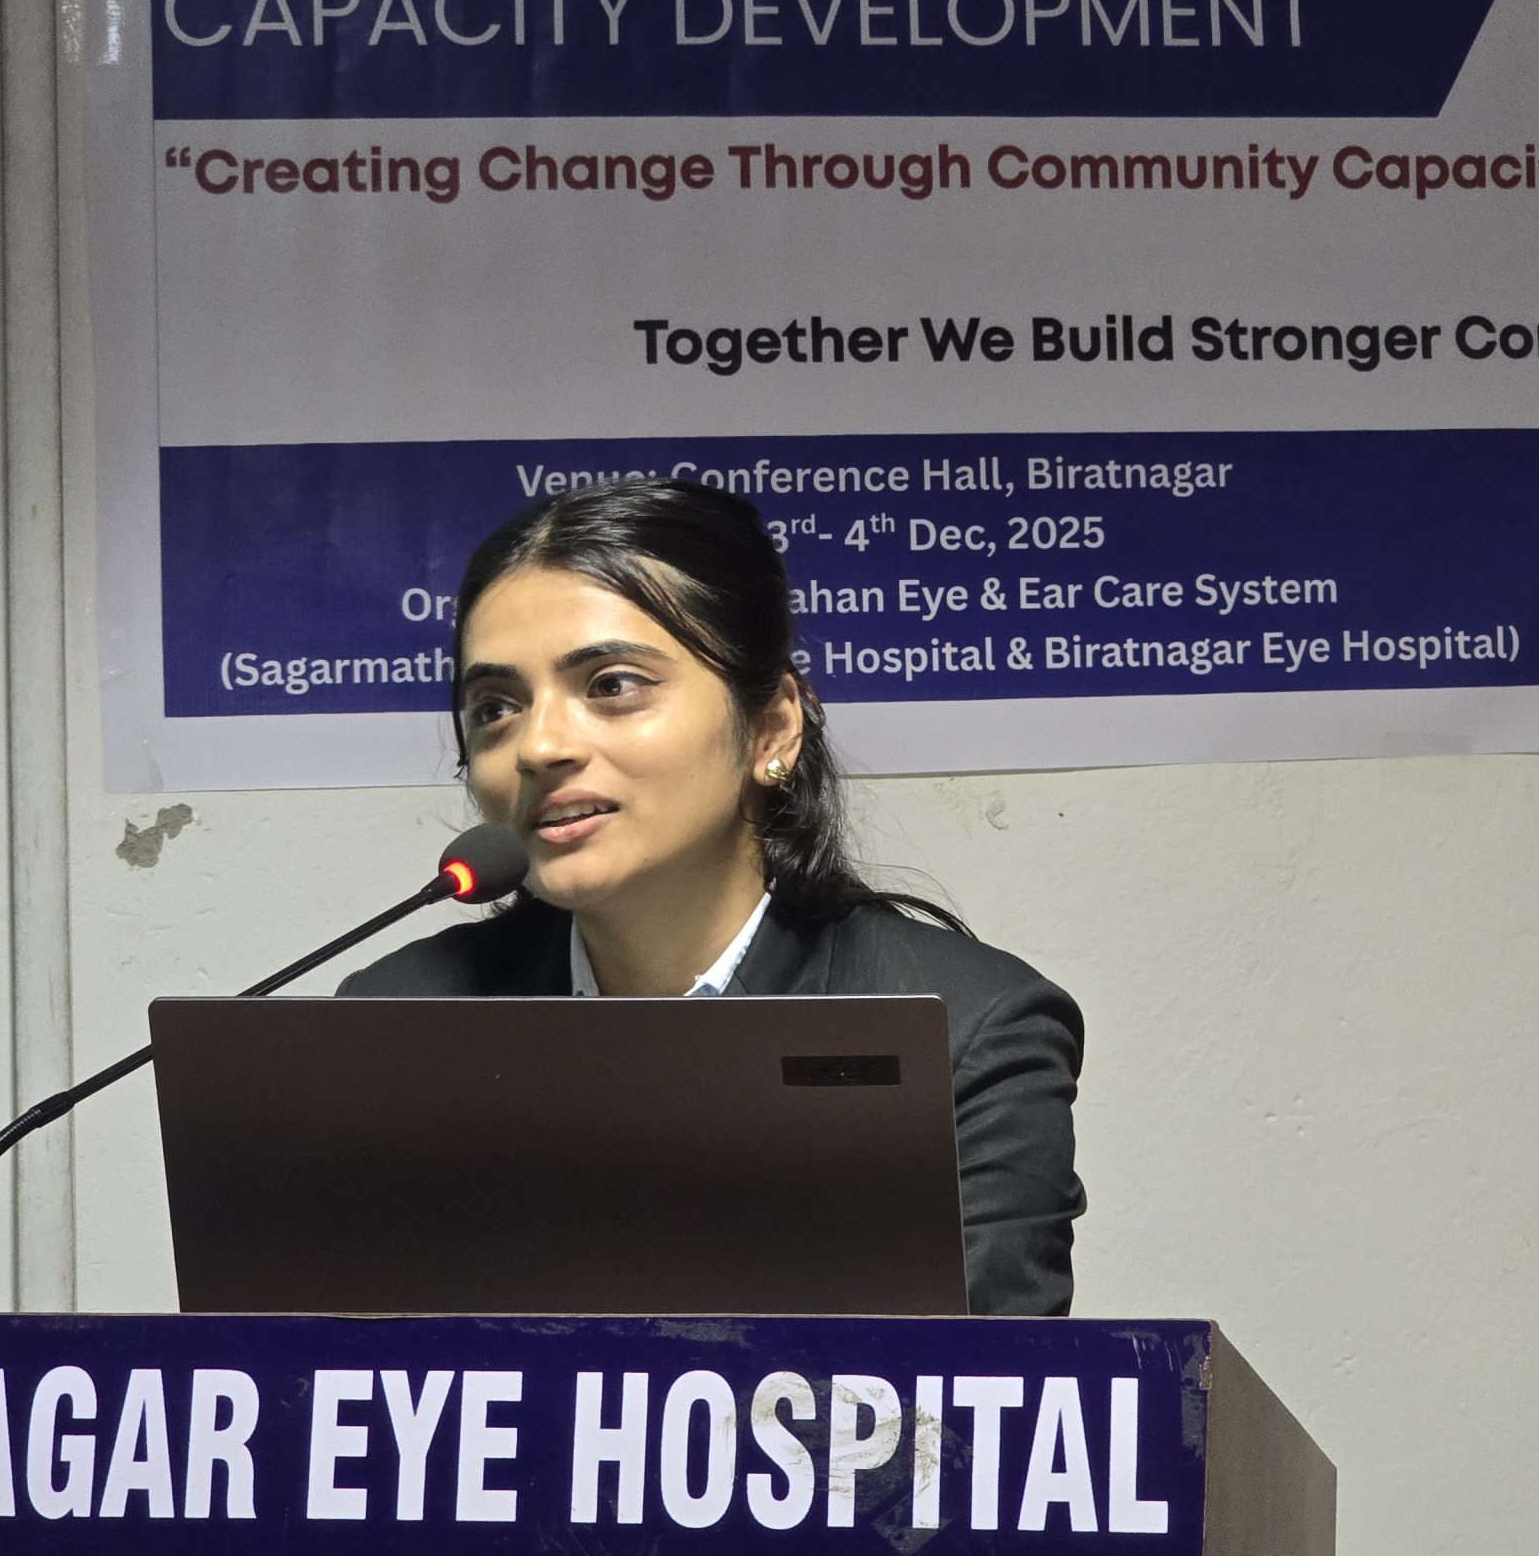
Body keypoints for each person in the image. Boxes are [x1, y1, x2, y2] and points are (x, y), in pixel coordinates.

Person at [338, 476, 1085, 1315]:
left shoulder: (970, 1028)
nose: (538, 746)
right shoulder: (395, 1023)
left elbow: (987, 1386)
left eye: (612, 685)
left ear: (772, 727)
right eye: (495, 707)